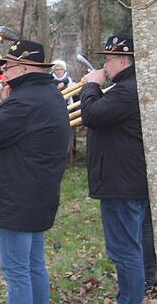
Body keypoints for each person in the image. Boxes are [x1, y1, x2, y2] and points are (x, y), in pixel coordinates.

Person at [0, 40, 71, 303]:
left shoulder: (24, 102)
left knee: (17, 271)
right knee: (33, 266)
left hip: (16, 197)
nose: (4, 72)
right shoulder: (50, 95)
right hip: (39, 193)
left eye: (8, 66)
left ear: (22, 68)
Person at [80, 33, 149, 303]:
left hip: (122, 183)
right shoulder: (129, 87)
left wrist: (92, 86)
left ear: (122, 61)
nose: (104, 66)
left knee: (125, 249)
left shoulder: (126, 89)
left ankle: (130, 299)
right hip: (124, 180)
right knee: (130, 246)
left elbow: (92, 115)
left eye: (108, 60)